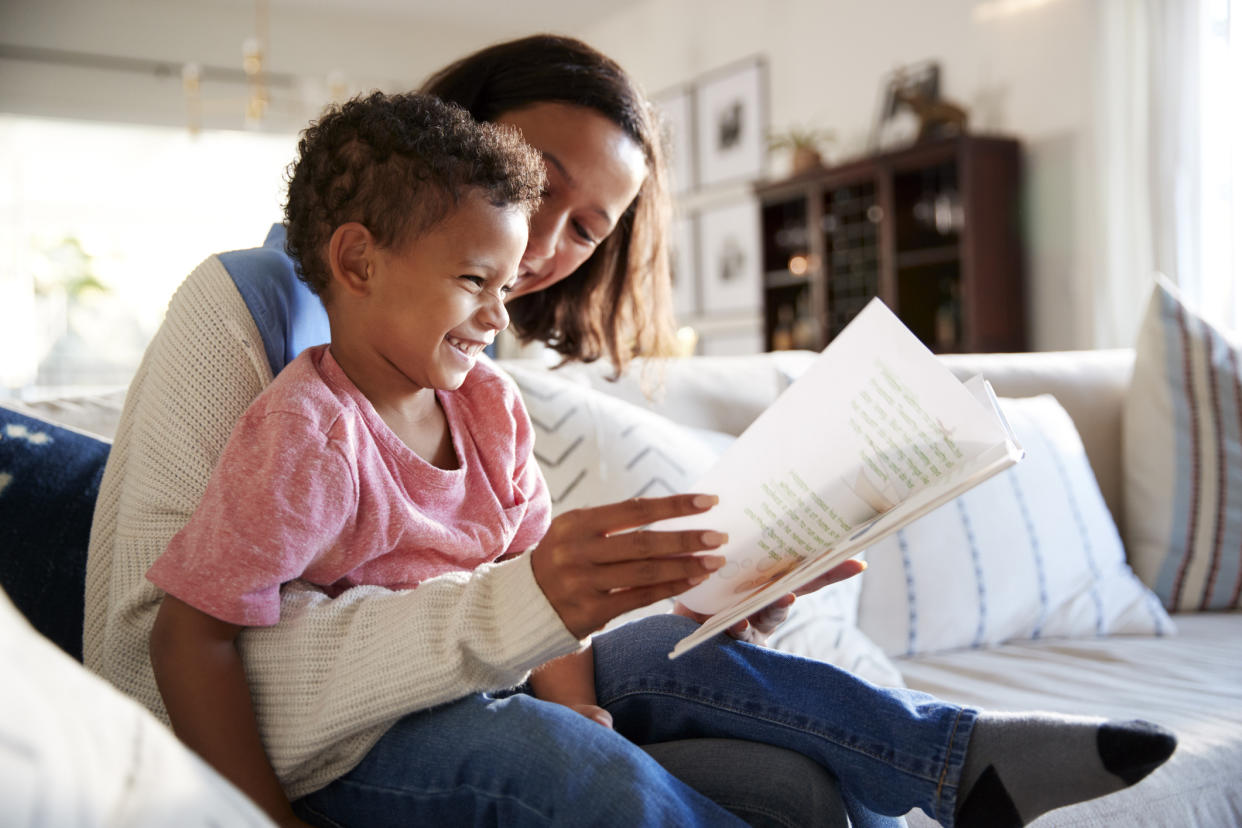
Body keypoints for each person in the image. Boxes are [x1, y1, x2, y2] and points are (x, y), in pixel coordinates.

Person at [145, 91, 1175, 828]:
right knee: (562, 765)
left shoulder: (491, 407)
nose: (501, 313)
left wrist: (584, 703)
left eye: (511, 284)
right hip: (372, 743)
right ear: (359, 261)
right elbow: (189, 637)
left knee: (697, 668)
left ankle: (951, 760)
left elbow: (533, 587)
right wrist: (260, 813)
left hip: (496, 685)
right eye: (475, 282)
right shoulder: (307, 430)